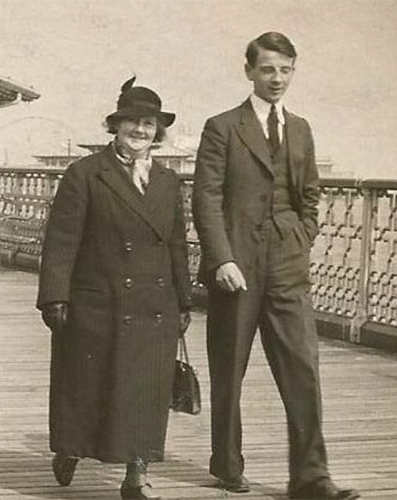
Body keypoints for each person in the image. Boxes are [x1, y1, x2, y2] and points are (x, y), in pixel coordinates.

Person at [192, 32, 360, 499]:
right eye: (268, 69)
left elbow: (310, 195)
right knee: (229, 369)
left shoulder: (301, 128)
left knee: (303, 368)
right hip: (236, 268)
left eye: (285, 70)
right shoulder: (222, 127)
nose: (277, 79)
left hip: (287, 265)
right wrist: (221, 257)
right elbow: (205, 198)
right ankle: (227, 465)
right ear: (249, 71)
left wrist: (301, 236)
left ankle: (310, 478)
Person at [37, 77, 192, 500]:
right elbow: (61, 240)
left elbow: (177, 243)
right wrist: (55, 296)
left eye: (148, 124)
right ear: (115, 126)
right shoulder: (85, 174)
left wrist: (183, 298)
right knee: (89, 384)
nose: (140, 131)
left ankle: (136, 476)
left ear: (157, 131)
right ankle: (71, 448)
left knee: (146, 391)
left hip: (154, 303)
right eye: (132, 123)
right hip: (98, 298)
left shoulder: (167, 181)